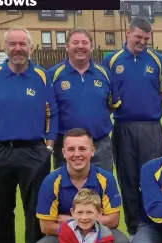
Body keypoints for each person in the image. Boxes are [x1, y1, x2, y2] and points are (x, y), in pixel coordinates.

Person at [0, 27, 56, 243]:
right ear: (5, 47)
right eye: (12, 44)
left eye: (22, 44)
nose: (17, 49)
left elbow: (53, 112)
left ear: (31, 48)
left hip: (34, 151)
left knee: (34, 210)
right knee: (1, 210)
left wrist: (48, 146)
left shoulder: (42, 76)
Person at [25, 128, 130, 243]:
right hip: (62, 236)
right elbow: (46, 227)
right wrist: (85, 223)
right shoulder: (51, 181)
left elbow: (113, 221)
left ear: (92, 151)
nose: (77, 154)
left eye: (82, 148)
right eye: (71, 149)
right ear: (63, 152)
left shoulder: (106, 179)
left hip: (94, 231)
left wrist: (70, 219)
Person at [102, 17, 162, 238]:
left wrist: (148, 109)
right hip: (123, 126)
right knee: (128, 178)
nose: (141, 41)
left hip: (151, 127)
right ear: (128, 33)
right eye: (138, 37)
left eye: (146, 38)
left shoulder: (158, 61)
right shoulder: (111, 60)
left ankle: (154, 223)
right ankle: (133, 229)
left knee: (153, 177)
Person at [48, 28, 119, 172]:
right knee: (67, 192)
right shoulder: (53, 75)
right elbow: (48, 111)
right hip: (66, 146)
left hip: (100, 145)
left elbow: (112, 105)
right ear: (67, 47)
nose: (80, 46)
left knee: (101, 190)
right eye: (75, 43)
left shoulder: (105, 74)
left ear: (91, 47)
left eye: (85, 43)